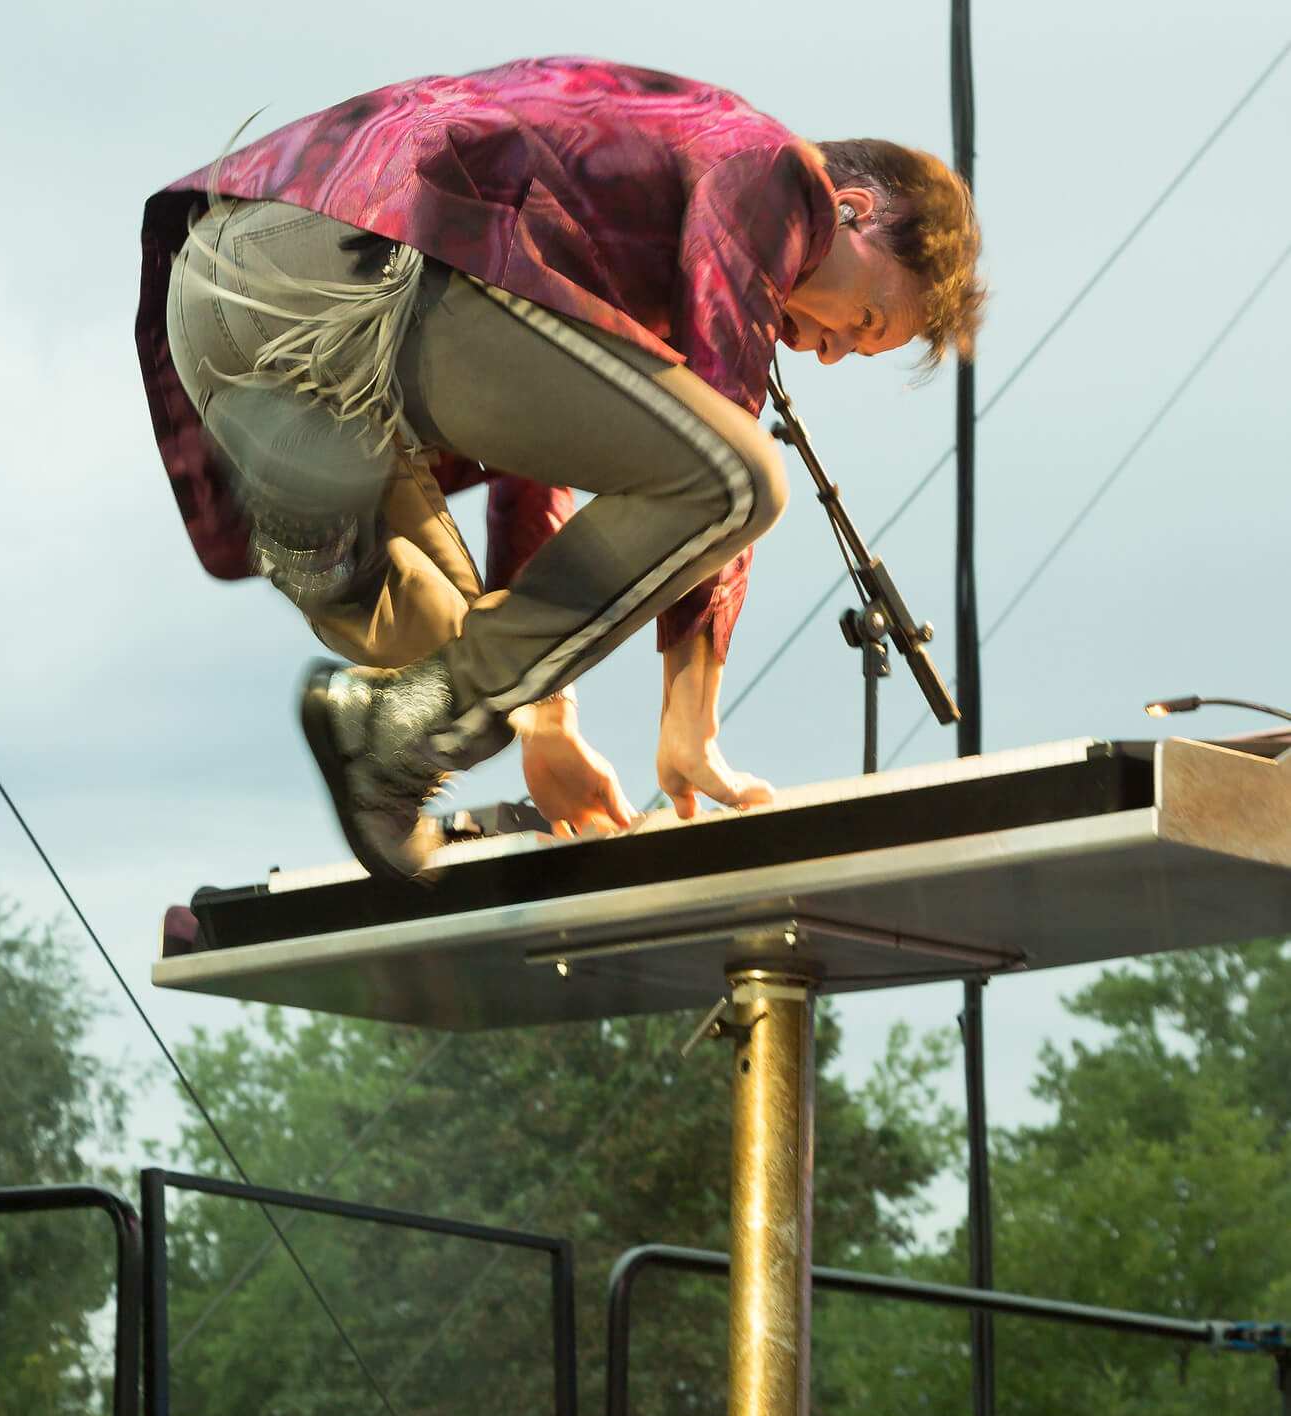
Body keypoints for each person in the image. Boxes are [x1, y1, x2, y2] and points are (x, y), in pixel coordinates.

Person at [136, 56, 984, 875]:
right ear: (853, 210)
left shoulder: (644, 222)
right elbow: (724, 429)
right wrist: (689, 720)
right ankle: (343, 586)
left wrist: (544, 720)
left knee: (448, 644)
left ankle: (314, 527)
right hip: (353, 265)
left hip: (220, 304)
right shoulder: (774, 174)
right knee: (739, 477)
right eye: (867, 320)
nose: (834, 354)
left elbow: (530, 466)